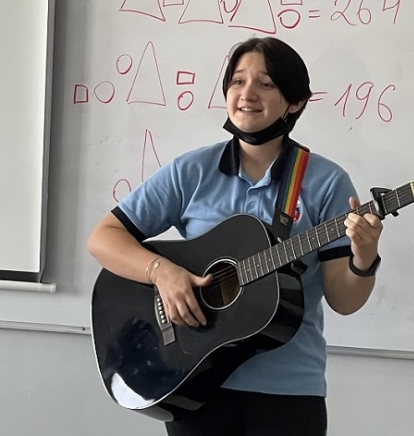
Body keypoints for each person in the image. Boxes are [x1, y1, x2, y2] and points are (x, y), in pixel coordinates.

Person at [87, 36, 384, 436]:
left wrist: (364, 257)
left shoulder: (326, 181)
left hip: (289, 391)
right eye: (237, 81)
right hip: (196, 384)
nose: (247, 94)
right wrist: (162, 272)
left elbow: (343, 301)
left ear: (295, 101)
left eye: (266, 83)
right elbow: (104, 238)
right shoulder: (192, 171)